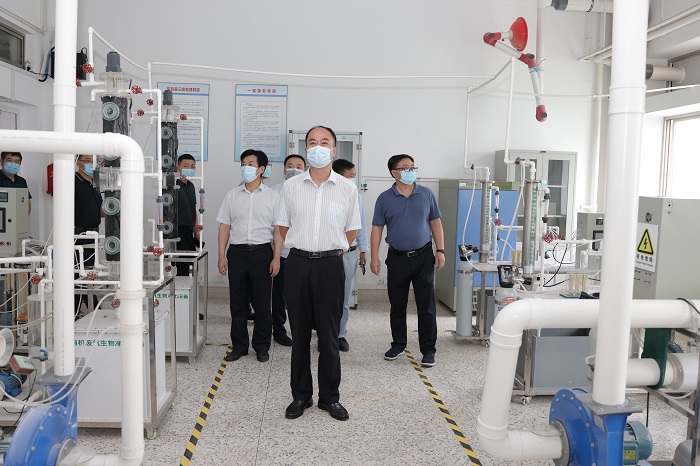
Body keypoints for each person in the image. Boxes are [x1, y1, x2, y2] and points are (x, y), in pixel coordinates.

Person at [275, 125, 361, 422]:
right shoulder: (291, 186)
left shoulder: (347, 188)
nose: (318, 147)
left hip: (330, 265)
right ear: (306, 149)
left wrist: (330, 250)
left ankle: (330, 398)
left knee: (329, 335)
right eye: (312, 142)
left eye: (324, 142)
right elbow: (282, 226)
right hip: (298, 263)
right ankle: (301, 395)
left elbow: (352, 229)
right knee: (299, 334)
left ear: (334, 150)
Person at [370, 154, 445, 368]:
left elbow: (436, 223)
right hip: (397, 258)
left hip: (424, 256)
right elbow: (377, 228)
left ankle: (428, 350)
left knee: (426, 306)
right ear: (394, 172)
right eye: (405, 168)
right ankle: (398, 344)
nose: (411, 171)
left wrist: (440, 250)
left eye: (412, 167)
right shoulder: (384, 198)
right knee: (397, 305)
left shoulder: (426, 194)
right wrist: (374, 256)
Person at [217, 149, 280, 363]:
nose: (246, 167)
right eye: (243, 164)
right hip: (237, 253)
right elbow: (225, 226)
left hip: (262, 253)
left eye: (251, 164)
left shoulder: (273, 197)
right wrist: (221, 255)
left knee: (262, 304)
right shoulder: (232, 195)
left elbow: (278, 230)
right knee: (238, 304)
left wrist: (276, 258)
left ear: (261, 169)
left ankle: (261, 346)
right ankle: (239, 346)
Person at [269, 154, 308, 347]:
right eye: (290, 166)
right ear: (284, 169)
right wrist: (274, 252)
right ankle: (279, 330)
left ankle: (303, 329)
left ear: (305, 169)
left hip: (306, 252)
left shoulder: (310, 190)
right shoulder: (274, 192)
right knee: (280, 295)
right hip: (283, 253)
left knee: (304, 295)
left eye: (299, 166)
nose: (294, 169)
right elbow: (271, 225)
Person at [331, 159, 368, 352]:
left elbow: (361, 226)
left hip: (349, 254)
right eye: (351, 176)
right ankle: (325, 335)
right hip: (328, 254)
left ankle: (340, 334)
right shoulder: (325, 195)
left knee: (343, 298)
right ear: (339, 176)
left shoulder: (355, 196)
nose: (354, 179)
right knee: (326, 298)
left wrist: (363, 250)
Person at [74, 154, 103, 315]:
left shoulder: (95, 184)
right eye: (87, 161)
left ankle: (88, 309)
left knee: (89, 271)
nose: (91, 165)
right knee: (80, 274)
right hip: (78, 234)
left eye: (94, 161)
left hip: (94, 233)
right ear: (78, 163)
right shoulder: (72, 182)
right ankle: (78, 311)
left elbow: (101, 211)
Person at [175, 154, 201, 277]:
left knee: (193, 264)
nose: (189, 168)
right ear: (178, 167)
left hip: (189, 231)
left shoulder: (191, 186)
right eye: (185, 166)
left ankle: (189, 287)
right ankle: (181, 287)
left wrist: (196, 231)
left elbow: (193, 208)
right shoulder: (173, 186)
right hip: (177, 231)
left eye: (192, 166)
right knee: (182, 266)